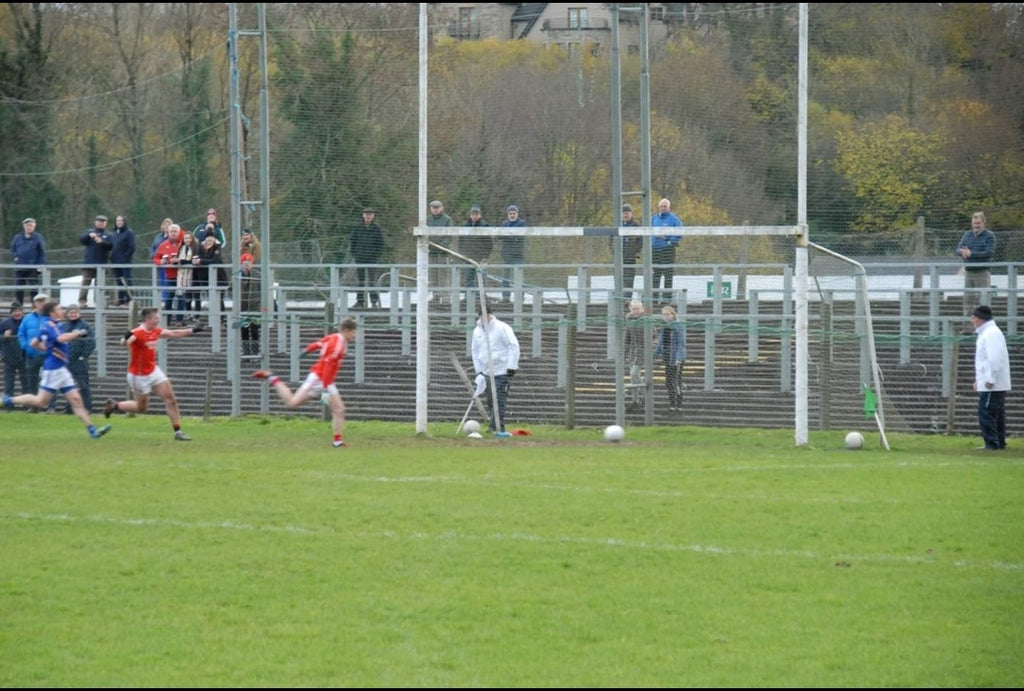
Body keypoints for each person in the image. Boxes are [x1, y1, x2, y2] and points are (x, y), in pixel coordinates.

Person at [2, 302, 111, 439]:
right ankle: (8, 400)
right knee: (41, 401)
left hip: (61, 369)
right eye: (59, 309)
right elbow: (60, 338)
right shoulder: (50, 325)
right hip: (53, 369)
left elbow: (34, 342)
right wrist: (76, 333)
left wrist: (48, 349)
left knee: (76, 399)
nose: (61, 310)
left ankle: (92, 430)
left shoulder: (56, 324)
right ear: (52, 312)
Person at [252, 317, 359, 448]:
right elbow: (327, 366)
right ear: (347, 330)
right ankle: (272, 377)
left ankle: (337, 441)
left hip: (327, 380)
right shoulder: (337, 345)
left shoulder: (334, 337)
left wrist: (307, 350)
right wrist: (325, 389)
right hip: (319, 379)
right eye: (353, 332)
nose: (354, 336)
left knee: (339, 409)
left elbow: (319, 344)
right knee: (292, 403)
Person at [102, 306, 203, 441]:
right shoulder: (137, 333)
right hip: (139, 376)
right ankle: (114, 406)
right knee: (141, 408)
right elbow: (124, 342)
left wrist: (193, 330)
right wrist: (125, 338)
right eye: (156, 318)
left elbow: (173, 334)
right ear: (148, 319)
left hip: (153, 371)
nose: (158, 320)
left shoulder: (155, 331)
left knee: (171, 400)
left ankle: (178, 431)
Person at [471, 305, 520, 436]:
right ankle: (496, 425)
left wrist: (511, 366)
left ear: (491, 314)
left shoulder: (502, 328)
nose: (485, 318)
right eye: (482, 315)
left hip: (502, 371)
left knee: (499, 399)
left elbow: (513, 345)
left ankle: (496, 427)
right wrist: (479, 371)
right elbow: (475, 351)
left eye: (487, 315)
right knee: (491, 400)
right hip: (486, 372)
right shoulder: (477, 331)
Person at [970, 305, 1011, 451]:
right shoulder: (988, 333)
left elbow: (995, 359)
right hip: (990, 382)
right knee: (996, 414)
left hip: (992, 384)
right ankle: (998, 442)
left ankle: (992, 443)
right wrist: (979, 380)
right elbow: (984, 361)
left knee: (986, 413)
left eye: (974, 317)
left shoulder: (991, 333)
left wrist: (990, 380)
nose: (972, 320)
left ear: (981, 319)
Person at [956, 211, 996, 316]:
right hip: (968, 272)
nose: (976, 225)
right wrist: (962, 252)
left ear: (983, 223)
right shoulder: (967, 235)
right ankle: (967, 329)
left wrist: (971, 254)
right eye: (974, 223)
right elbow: (958, 249)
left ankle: (984, 328)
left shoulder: (989, 236)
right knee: (968, 301)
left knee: (983, 302)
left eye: (978, 223)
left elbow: (989, 253)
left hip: (982, 272)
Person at [17, 294, 52, 412]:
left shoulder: (51, 318)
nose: (41, 303)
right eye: (39, 301)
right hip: (31, 355)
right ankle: (33, 406)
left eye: (44, 301)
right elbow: (21, 334)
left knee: (49, 381)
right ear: (35, 303)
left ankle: (50, 406)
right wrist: (26, 346)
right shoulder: (27, 318)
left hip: (47, 355)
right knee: (31, 381)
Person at [61, 304, 95, 413]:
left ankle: (87, 407)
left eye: (75, 312)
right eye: (71, 312)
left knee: (83, 385)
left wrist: (83, 356)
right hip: (66, 359)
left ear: (79, 313)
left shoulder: (84, 326)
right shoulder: (64, 326)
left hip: (79, 361)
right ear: (67, 314)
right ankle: (69, 409)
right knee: (68, 385)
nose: (73, 314)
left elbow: (91, 342)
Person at [653, 303, 686, 412]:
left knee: (676, 381)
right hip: (667, 356)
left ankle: (679, 404)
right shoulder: (664, 327)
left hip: (675, 357)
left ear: (673, 315)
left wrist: (678, 358)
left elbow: (681, 344)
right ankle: (672, 403)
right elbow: (661, 344)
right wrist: (654, 354)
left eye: (668, 314)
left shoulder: (677, 326)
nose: (666, 317)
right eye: (664, 315)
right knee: (668, 381)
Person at [349, 207, 384, 309]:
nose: (368, 216)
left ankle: (374, 302)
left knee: (372, 280)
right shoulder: (358, 227)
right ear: (363, 215)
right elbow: (352, 242)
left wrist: (376, 254)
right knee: (360, 280)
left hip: (372, 258)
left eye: (370, 214)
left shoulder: (376, 228)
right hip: (360, 258)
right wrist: (355, 254)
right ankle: (360, 301)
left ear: (373, 216)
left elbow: (380, 243)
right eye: (366, 214)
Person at [651, 198, 683, 304]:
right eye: (661, 206)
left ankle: (667, 299)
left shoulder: (674, 219)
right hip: (655, 250)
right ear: (658, 207)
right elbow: (648, 232)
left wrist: (668, 240)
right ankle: (654, 299)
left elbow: (679, 234)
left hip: (667, 250)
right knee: (655, 274)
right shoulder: (653, 219)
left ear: (669, 207)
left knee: (668, 275)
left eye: (665, 206)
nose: (663, 208)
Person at [78, 214, 113, 307]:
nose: (101, 223)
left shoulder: (108, 234)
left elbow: (111, 246)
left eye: (103, 222)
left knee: (100, 286)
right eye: (99, 221)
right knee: (85, 283)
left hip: (102, 264)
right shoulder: (89, 231)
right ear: (95, 222)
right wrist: (89, 236)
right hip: (89, 263)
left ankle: (99, 303)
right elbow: (82, 240)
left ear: (106, 223)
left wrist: (102, 242)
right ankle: (82, 301)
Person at [10, 218, 46, 306]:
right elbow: (12, 248)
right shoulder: (17, 237)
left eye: (31, 225)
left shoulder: (38, 238)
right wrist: (15, 256)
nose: (29, 227)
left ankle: (35, 307)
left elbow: (42, 252)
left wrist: (41, 266)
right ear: (24, 226)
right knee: (18, 289)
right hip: (20, 267)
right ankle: (18, 306)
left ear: (34, 226)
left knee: (34, 289)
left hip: (33, 267)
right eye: (27, 225)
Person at [461, 204, 492, 303]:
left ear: (479, 215)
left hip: (480, 257)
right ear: (470, 215)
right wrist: (462, 255)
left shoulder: (485, 225)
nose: (474, 216)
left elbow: (489, 243)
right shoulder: (465, 226)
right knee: (469, 278)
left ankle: (481, 297)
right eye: (473, 214)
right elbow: (461, 241)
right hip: (468, 257)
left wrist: (486, 256)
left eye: (476, 214)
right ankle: (468, 297)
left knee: (481, 278)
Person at [427, 200, 454, 305]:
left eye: (437, 207)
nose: (435, 209)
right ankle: (436, 296)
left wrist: (441, 246)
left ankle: (446, 298)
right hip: (432, 252)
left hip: (443, 252)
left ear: (441, 208)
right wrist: (430, 245)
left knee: (443, 275)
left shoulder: (447, 220)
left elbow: (449, 236)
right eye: (433, 207)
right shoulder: (427, 220)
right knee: (433, 275)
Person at [153, 223, 184, 313]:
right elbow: (155, 258)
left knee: (181, 297)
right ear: (168, 233)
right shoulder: (163, 245)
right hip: (170, 275)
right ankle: (168, 318)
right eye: (171, 231)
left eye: (175, 232)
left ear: (179, 233)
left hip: (182, 275)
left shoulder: (183, 244)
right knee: (169, 296)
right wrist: (160, 262)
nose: (173, 233)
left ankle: (180, 319)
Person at [499, 204, 526, 303]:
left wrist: (508, 234)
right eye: (510, 213)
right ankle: (506, 297)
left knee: (518, 277)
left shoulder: (521, 223)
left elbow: (518, 236)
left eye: (514, 213)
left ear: (517, 214)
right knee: (505, 277)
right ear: (508, 214)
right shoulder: (504, 223)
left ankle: (520, 297)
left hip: (518, 255)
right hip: (506, 255)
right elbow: (500, 236)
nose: (512, 215)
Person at [623, 299, 646, 411]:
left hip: (643, 351)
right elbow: (627, 338)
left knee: (634, 374)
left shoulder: (646, 320)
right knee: (633, 378)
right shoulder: (629, 320)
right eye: (634, 309)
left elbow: (655, 334)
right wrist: (624, 353)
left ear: (642, 309)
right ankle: (635, 400)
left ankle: (646, 396)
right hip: (632, 352)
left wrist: (653, 346)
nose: (636, 311)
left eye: (638, 308)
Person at [0, 301, 27, 400]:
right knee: (9, 384)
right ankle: (8, 405)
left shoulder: (26, 322)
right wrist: (4, 336)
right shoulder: (4, 323)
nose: (17, 313)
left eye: (19, 310)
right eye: (15, 311)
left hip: (24, 357)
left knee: (25, 382)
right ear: (11, 312)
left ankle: (27, 404)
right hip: (8, 358)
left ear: (22, 312)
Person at [238, 253, 261, 357]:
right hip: (242, 307)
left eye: (249, 263)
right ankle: (246, 352)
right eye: (244, 263)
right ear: (241, 264)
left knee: (255, 330)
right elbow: (231, 288)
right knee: (244, 331)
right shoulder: (237, 276)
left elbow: (262, 290)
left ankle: (255, 352)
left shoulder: (258, 275)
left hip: (255, 307)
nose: (247, 265)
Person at [110, 214, 136, 307]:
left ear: (124, 222)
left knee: (127, 280)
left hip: (125, 262)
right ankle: (120, 300)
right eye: (117, 221)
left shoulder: (129, 233)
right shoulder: (114, 233)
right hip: (115, 261)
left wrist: (125, 258)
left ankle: (129, 300)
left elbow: (132, 247)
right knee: (118, 281)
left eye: (121, 221)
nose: (119, 222)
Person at [194, 233, 224, 311]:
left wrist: (201, 261)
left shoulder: (217, 247)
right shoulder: (201, 248)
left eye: (212, 237)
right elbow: (197, 257)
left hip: (219, 277)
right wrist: (195, 261)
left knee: (219, 298)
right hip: (206, 277)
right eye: (208, 237)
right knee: (210, 297)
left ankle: (221, 318)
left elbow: (215, 260)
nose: (210, 239)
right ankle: (213, 317)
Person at [618, 203, 643, 302]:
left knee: (629, 279)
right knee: (619, 278)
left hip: (630, 257)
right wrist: (614, 252)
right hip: (619, 257)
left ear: (631, 213)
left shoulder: (636, 225)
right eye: (624, 213)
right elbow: (611, 240)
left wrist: (634, 251)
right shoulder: (618, 224)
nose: (625, 215)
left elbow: (640, 240)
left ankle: (627, 299)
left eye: (627, 213)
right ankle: (619, 298)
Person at [174, 231, 200, 322]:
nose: (187, 240)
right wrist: (175, 261)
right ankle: (188, 314)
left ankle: (197, 316)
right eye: (185, 238)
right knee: (187, 295)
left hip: (195, 275)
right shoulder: (182, 248)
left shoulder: (196, 247)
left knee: (196, 296)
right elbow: (180, 259)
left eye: (189, 238)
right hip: (183, 275)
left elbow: (194, 261)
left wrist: (181, 261)